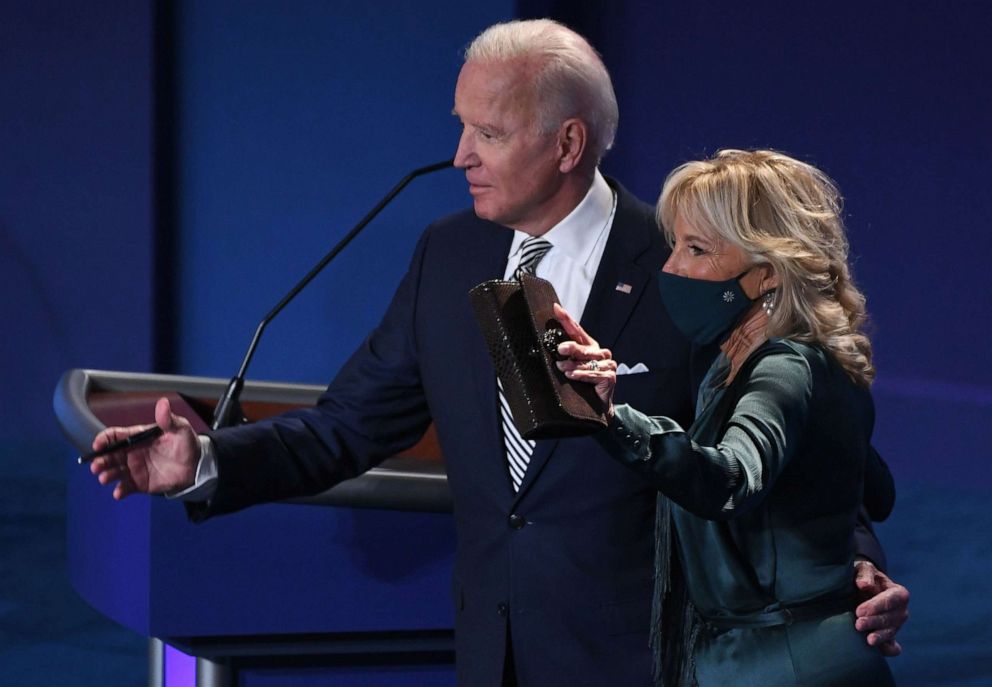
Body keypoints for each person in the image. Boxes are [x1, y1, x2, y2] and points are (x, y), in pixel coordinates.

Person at [88, 20, 907, 687]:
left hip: (650, 662)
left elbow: (800, 448)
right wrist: (201, 460)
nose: (460, 156)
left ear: (567, 143)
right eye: (460, 127)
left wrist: (855, 573)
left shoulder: (685, 260)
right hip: (497, 657)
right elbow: (347, 426)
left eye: (488, 131)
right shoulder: (447, 259)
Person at [555, 148, 898, 685]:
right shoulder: (728, 366)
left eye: (696, 249)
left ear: (766, 274)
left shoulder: (784, 367)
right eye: (675, 246)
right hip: (750, 656)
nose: (670, 268)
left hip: (784, 664)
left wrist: (612, 415)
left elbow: (733, 479)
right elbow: (871, 485)